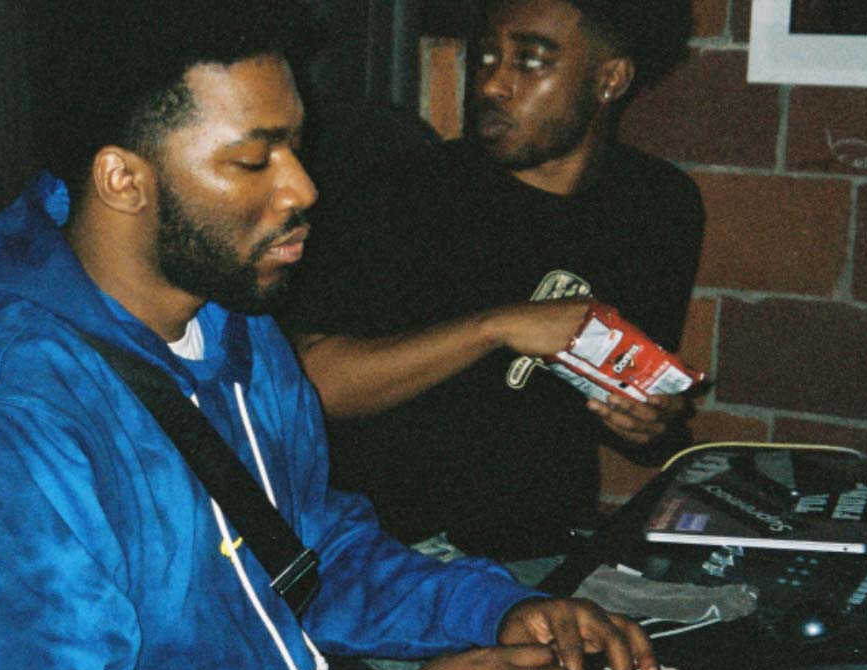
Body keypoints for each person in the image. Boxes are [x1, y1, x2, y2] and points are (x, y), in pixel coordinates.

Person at [0, 2, 659, 670]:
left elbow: (305, 553)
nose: (303, 187)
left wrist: (496, 610)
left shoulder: (233, 327)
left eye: (295, 149)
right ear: (123, 180)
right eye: (251, 161)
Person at [279, 0, 703, 574]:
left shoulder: (657, 206)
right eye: (486, 57)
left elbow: (640, 418)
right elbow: (314, 383)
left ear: (610, 79)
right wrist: (497, 327)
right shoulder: (403, 192)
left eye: (530, 61)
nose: (492, 84)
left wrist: (647, 422)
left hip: (539, 547)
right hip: (384, 552)